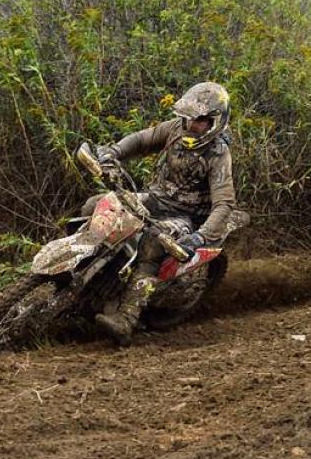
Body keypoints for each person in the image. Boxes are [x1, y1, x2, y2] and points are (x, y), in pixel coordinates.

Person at [88, 81, 237, 345]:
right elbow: (142, 139)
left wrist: (199, 237)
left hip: (186, 216)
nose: (193, 125)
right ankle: (81, 268)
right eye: (191, 118)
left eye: (201, 120)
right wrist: (113, 152)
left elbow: (224, 204)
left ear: (216, 121)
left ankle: (126, 319)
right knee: (96, 204)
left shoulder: (218, 154)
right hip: (156, 198)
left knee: (153, 244)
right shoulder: (175, 130)